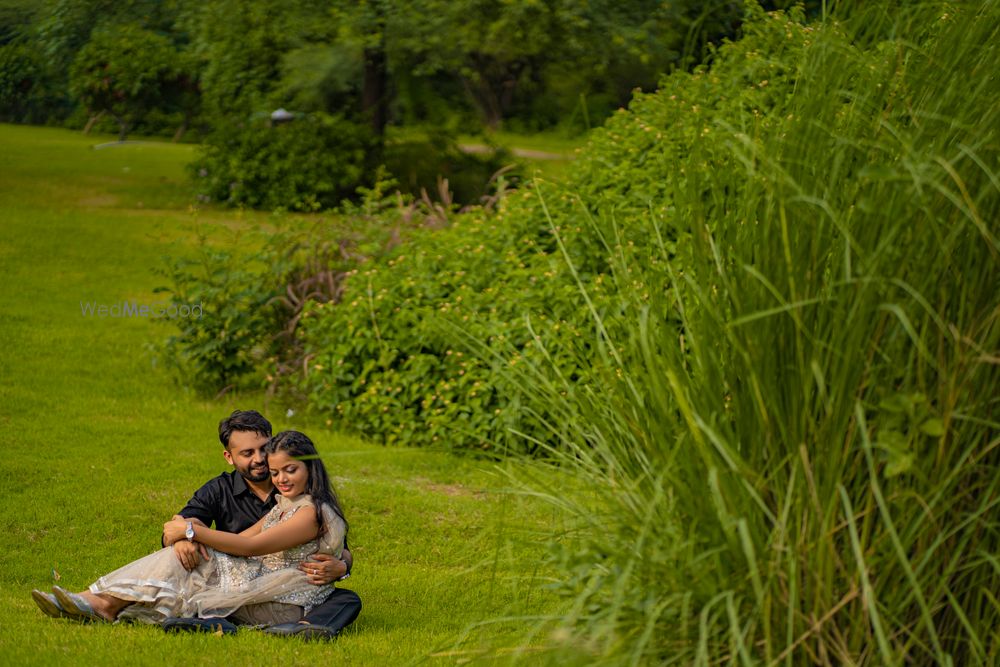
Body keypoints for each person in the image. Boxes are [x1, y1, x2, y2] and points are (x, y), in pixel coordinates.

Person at [31, 429, 357, 640]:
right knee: (188, 559)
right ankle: (98, 602)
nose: (281, 478)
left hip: (284, 601)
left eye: (290, 470)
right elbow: (244, 537)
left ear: (310, 467)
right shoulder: (283, 503)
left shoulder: (310, 511)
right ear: (230, 457)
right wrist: (193, 534)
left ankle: (100, 602)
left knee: (192, 560)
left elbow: (248, 545)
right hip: (265, 585)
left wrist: (190, 530)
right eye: (276, 472)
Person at [160, 410, 361, 639]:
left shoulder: (294, 488)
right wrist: (184, 538)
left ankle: (305, 626)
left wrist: (342, 567)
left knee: (347, 598)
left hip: (293, 585)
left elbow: (338, 545)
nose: (258, 459)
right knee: (203, 583)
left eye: (264, 449)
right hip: (240, 574)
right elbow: (183, 524)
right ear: (229, 456)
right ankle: (218, 619)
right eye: (247, 453)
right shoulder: (219, 489)